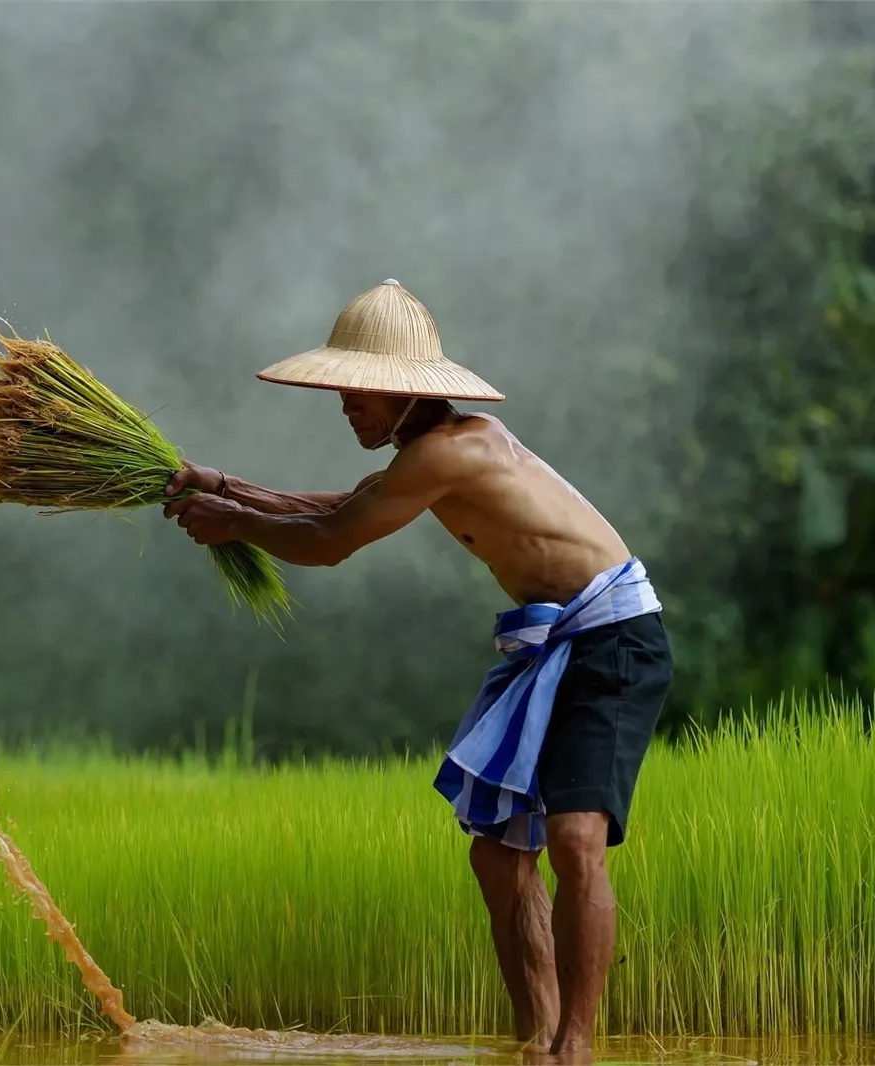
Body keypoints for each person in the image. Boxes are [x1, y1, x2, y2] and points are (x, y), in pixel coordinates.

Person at [161, 279, 673, 1061]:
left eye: (358, 392)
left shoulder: (454, 450)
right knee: (498, 858)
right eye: (341, 392)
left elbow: (332, 541)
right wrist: (225, 487)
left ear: (404, 393)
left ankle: (575, 1048)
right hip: (554, 643)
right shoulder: (423, 458)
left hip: (614, 639)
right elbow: (339, 506)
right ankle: (533, 1038)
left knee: (574, 840)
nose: (345, 408)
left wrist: (235, 522)